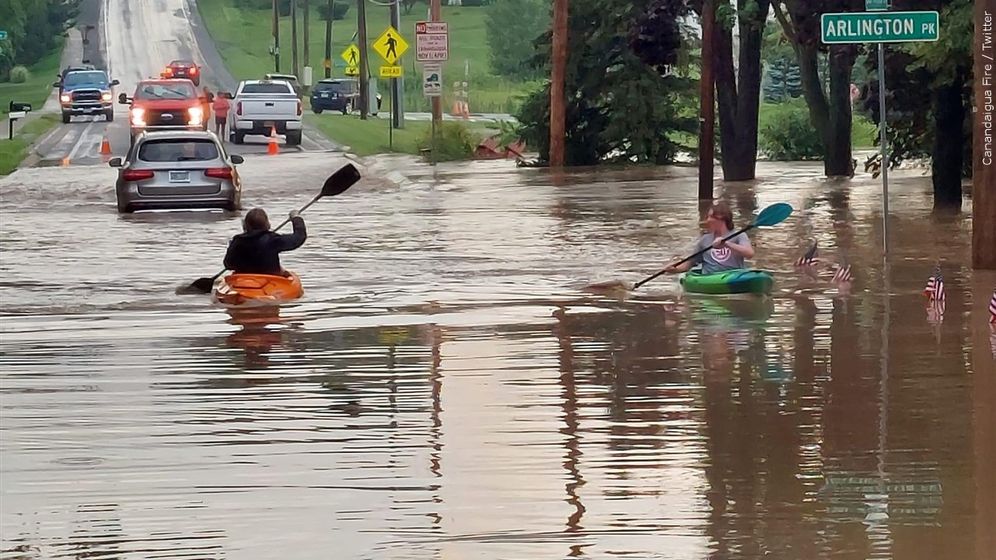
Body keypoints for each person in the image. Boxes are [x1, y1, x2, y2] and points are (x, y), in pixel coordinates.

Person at [663, 202, 754, 275]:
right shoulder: (705, 240)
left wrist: (726, 243)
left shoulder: (739, 235)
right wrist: (675, 269)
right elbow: (690, 263)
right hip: (710, 277)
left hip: (733, 275)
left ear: (721, 217)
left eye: (711, 217)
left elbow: (749, 254)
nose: (707, 220)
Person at [223, 208, 307, 276]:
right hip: (270, 280)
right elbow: (299, 238)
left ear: (245, 225)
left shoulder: (238, 241)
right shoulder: (273, 239)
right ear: (267, 224)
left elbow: (228, 264)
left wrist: (232, 248)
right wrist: (296, 219)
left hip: (242, 281)